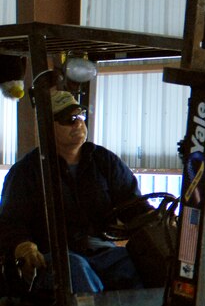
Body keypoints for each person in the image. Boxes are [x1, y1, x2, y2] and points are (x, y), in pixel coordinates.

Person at [0, 89, 145, 293]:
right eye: (68, 119)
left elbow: (133, 206)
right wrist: (23, 245)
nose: (77, 124)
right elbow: (10, 222)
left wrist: (157, 221)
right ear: (47, 127)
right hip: (52, 257)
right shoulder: (27, 171)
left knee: (137, 264)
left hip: (101, 251)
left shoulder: (104, 161)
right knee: (75, 268)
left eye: (79, 116)